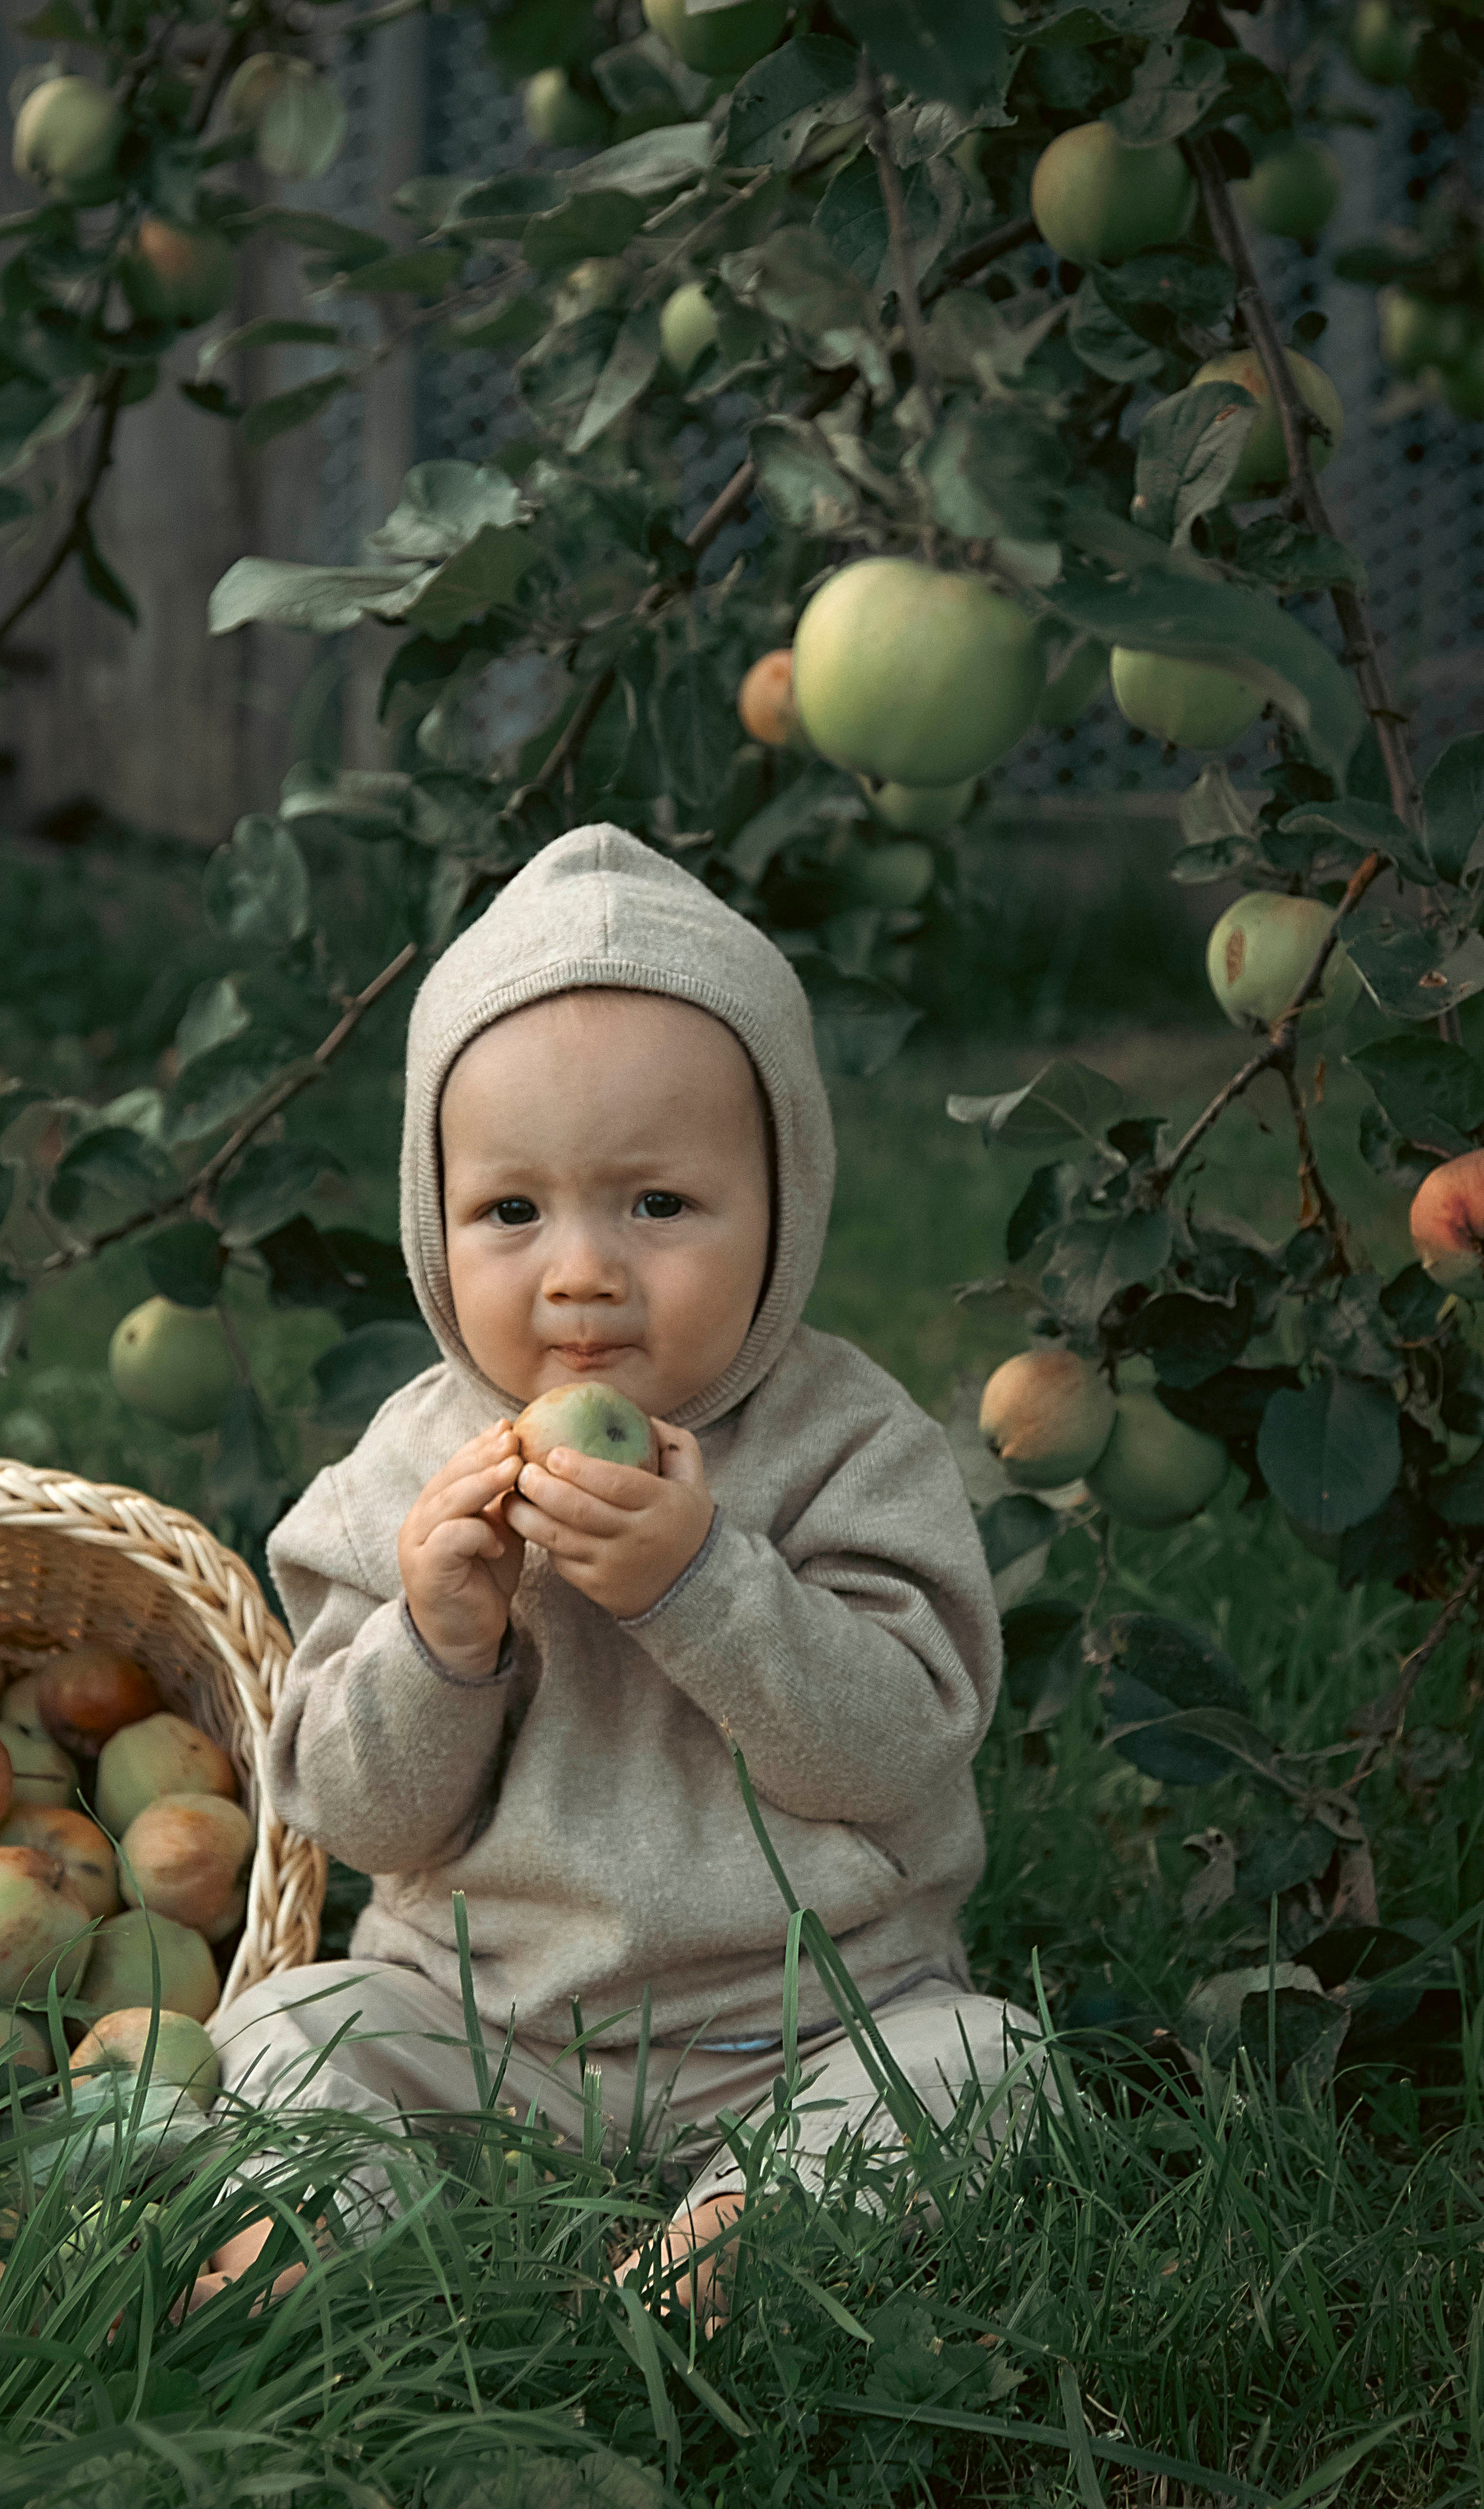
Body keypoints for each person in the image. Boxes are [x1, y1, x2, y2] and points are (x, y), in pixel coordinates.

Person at [197, 823, 1034, 2321]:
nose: (579, 1269)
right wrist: (438, 1637)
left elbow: (898, 1750)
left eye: (655, 1204)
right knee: (292, 2020)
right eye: (512, 1212)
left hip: (806, 2023)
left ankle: (729, 2240)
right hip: (476, 2022)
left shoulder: (854, 1449)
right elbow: (347, 1809)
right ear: (430, 1225)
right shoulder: (402, 1478)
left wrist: (701, 1585)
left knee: (985, 2065)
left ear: (781, 1209)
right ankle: (334, 2221)